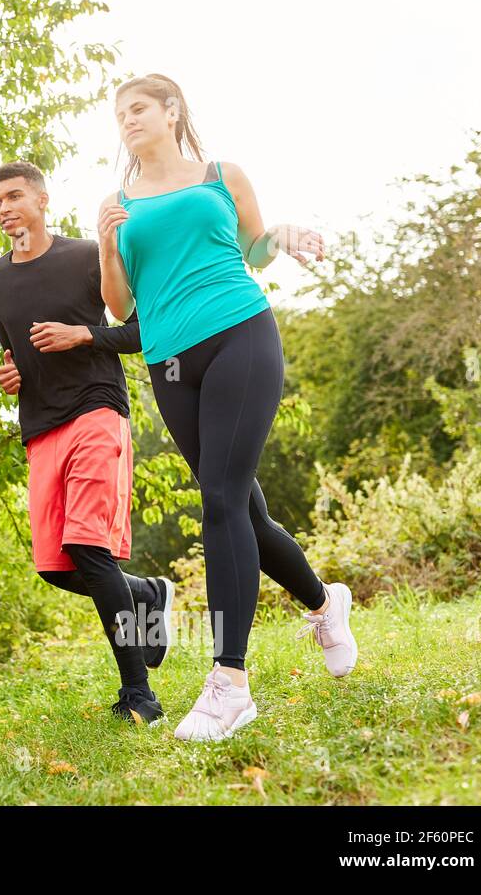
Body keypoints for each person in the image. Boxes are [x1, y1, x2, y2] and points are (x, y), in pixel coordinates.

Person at [96, 73, 359, 742]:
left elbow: (254, 250)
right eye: (119, 112)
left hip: (241, 333)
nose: (127, 119)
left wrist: (286, 238)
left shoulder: (221, 174)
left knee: (220, 498)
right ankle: (326, 604)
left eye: (138, 108)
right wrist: (104, 241)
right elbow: (120, 307)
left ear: (171, 111)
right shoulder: (118, 202)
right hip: (171, 364)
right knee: (241, 508)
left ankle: (230, 682)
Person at [0, 161, 175, 725]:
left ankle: (139, 694)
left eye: (15, 196)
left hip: (96, 409)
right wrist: (9, 371)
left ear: (42, 200)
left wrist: (83, 334)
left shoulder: (86, 257)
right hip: (39, 425)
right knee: (57, 567)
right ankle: (144, 595)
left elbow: (140, 330)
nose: (5, 208)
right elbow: (12, 347)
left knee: (89, 551)